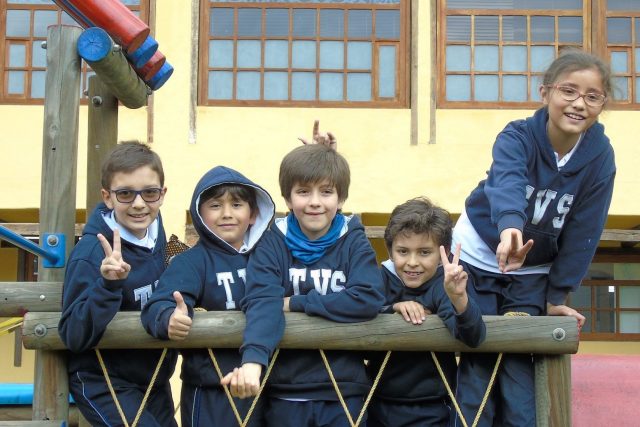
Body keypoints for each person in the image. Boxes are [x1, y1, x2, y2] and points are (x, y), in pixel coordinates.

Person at [451, 49, 616, 427]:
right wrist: (510, 225)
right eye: (568, 91)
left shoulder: (600, 158)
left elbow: (585, 231)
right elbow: (506, 181)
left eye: (592, 96)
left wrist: (556, 295)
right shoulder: (517, 136)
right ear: (545, 93)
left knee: (519, 362)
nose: (579, 104)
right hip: (479, 256)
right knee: (477, 356)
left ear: (602, 104)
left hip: (532, 272)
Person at [221, 144, 385, 427]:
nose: (315, 202)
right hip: (286, 389)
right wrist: (253, 361)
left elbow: (369, 297)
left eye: (326, 191)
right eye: (303, 192)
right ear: (287, 198)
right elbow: (262, 300)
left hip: (345, 392)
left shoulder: (354, 241)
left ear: (341, 198)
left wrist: (297, 303)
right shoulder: (272, 242)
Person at [141, 165, 275, 427]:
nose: (226, 214)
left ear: (253, 214)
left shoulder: (270, 256)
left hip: (266, 383)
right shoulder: (191, 262)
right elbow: (160, 303)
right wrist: (169, 317)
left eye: (237, 205)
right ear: (199, 214)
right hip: (211, 390)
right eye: (215, 206)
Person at [59, 141, 178, 427]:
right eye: (125, 194)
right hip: (103, 380)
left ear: (162, 194)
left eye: (149, 193)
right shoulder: (91, 254)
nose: (139, 204)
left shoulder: (158, 237)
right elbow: (73, 334)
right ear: (107, 197)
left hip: (153, 377)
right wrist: (108, 285)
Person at [366, 197, 486, 427]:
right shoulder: (378, 279)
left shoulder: (445, 285)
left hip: (434, 406)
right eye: (403, 251)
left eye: (424, 252)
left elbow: (473, 337)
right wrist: (393, 308)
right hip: (376, 401)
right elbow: (361, 311)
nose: (412, 262)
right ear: (390, 251)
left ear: (444, 252)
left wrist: (459, 298)